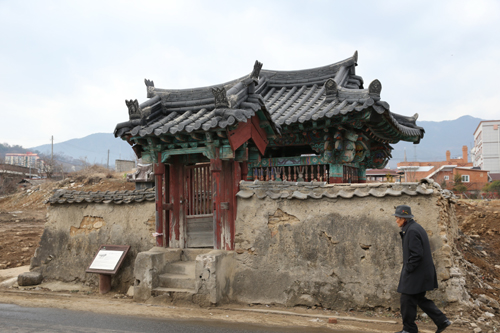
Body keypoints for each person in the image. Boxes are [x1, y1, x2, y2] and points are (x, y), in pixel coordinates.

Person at [393, 205, 452, 333]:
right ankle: (442, 321)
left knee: (406, 299)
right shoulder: (414, 228)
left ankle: (409, 329)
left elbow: (416, 254)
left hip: (416, 273)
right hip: (420, 272)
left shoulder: (412, 231)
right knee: (419, 299)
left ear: (404, 218)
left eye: (397, 218)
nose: (396, 220)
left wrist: (408, 269)